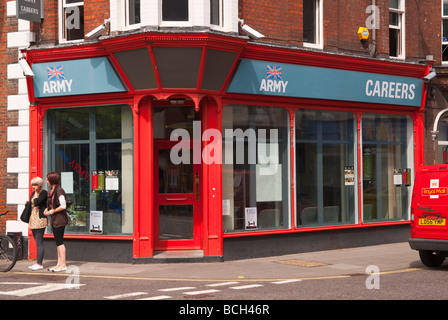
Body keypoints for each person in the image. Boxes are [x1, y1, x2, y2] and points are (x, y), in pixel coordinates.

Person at [44, 172, 69, 272]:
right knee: (58, 242)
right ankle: (59, 264)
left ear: (52, 180)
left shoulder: (59, 190)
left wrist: (52, 211)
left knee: (60, 242)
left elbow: (63, 205)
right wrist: (47, 209)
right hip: (55, 219)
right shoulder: (52, 191)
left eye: (47, 179)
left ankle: (63, 264)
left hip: (60, 219)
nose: (46, 181)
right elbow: (51, 204)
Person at [27, 177, 48, 271]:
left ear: (40, 185)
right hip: (33, 218)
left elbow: (36, 203)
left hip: (40, 219)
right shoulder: (33, 193)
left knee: (39, 242)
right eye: (32, 185)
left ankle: (39, 264)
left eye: (35, 185)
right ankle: (37, 263)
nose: (33, 187)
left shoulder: (43, 193)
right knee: (36, 241)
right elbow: (31, 204)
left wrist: (36, 193)